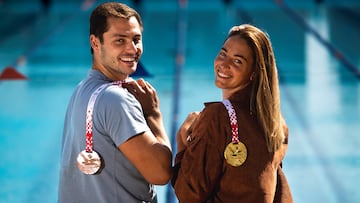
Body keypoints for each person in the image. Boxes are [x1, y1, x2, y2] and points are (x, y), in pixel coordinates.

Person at [58, 2, 172, 203]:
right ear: (95, 42)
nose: (132, 49)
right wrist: (154, 114)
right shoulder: (116, 100)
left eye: (136, 39)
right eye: (120, 40)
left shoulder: (82, 89)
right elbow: (160, 173)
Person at [171, 24, 293, 202]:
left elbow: (189, 194)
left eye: (237, 61)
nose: (224, 64)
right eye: (223, 54)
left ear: (254, 73)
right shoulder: (275, 123)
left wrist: (182, 143)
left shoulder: (217, 117)